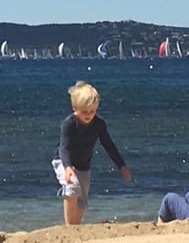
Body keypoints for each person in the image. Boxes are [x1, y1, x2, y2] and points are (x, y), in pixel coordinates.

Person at [51, 80, 132, 225]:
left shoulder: (99, 124)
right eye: (84, 112)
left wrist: (121, 166)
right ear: (74, 108)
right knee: (72, 187)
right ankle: (69, 227)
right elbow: (64, 147)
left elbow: (109, 145)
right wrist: (67, 167)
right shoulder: (69, 123)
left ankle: (76, 227)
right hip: (63, 161)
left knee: (82, 199)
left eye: (92, 111)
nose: (89, 115)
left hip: (83, 165)